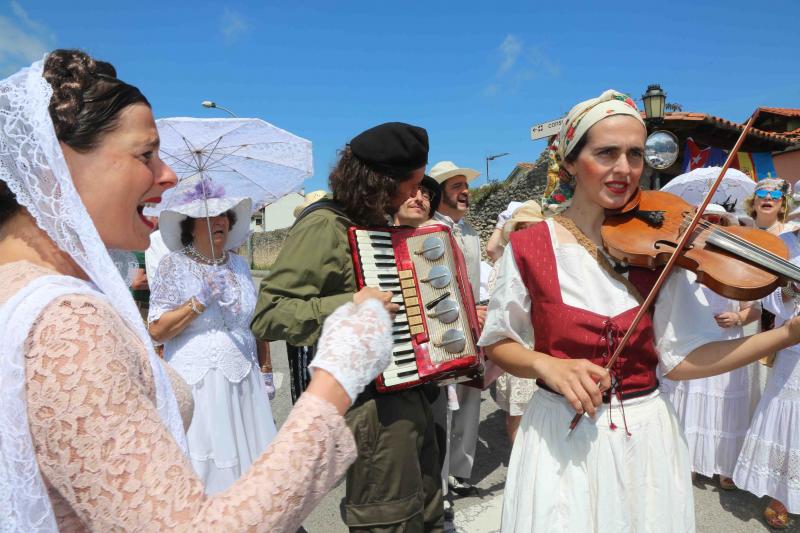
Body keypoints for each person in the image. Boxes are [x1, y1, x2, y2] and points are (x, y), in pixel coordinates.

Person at [0, 50, 395, 532]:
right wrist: (337, 376)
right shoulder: (65, 322)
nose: (166, 175)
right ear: (55, 164)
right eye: (146, 154)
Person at [478, 89, 800, 532]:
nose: (625, 169)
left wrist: (786, 335)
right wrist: (544, 365)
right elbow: (497, 340)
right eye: (606, 152)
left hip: (644, 436)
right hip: (559, 436)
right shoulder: (530, 246)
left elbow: (683, 360)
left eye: (635, 154)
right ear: (571, 161)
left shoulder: (663, 253)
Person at [251, 122, 445, 532]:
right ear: (381, 181)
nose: (417, 194)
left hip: (414, 395)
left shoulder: (381, 226)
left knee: (425, 514)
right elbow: (269, 313)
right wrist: (348, 305)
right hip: (372, 408)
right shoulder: (325, 225)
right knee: (388, 520)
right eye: (410, 183)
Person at [147, 180, 278, 494]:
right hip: (200, 383)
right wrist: (199, 301)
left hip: (244, 380)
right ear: (191, 227)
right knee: (208, 465)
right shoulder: (173, 266)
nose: (219, 220)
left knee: (251, 463)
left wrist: (266, 367)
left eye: (223, 215)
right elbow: (157, 330)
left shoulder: (240, 265)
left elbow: (252, 322)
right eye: (209, 216)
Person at [659, 204, 762, 491]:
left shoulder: (737, 263)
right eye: (704, 221)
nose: (709, 226)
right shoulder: (681, 263)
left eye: (716, 221)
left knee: (727, 406)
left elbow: (754, 309)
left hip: (727, 343)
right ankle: (689, 460)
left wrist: (738, 317)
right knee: (691, 402)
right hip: (694, 344)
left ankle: (726, 466)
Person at [733, 226, 800, 529]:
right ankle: (782, 493)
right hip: (794, 341)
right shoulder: (785, 243)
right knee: (788, 412)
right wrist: (793, 289)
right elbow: (769, 294)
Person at [428, 160, 486, 498]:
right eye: (456, 186)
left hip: (473, 328)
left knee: (469, 399)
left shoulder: (470, 232)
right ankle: (439, 477)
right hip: (443, 329)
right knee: (444, 404)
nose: (465, 191)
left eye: (465, 185)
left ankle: (461, 473)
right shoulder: (429, 231)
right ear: (439, 195)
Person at [487, 201, 544, 445]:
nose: (529, 234)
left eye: (535, 228)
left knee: (548, 411)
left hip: (545, 344)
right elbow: (496, 307)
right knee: (518, 413)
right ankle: (519, 468)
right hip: (518, 343)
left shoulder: (551, 260)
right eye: (524, 228)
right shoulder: (504, 263)